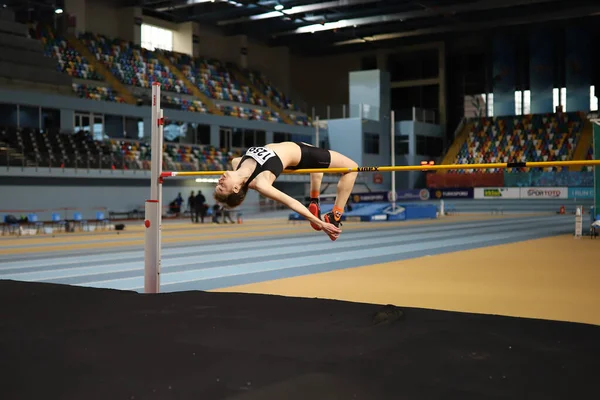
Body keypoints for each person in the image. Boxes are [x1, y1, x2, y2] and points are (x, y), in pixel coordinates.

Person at [213, 141, 358, 241]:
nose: (219, 181)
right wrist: (321, 224)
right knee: (352, 168)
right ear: (235, 188)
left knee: (317, 169)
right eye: (222, 187)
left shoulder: (236, 163)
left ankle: (315, 201)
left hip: (296, 149)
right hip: (304, 155)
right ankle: (336, 216)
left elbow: (243, 175)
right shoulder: (261, 183)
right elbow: (292, 202)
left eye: (218, 184)